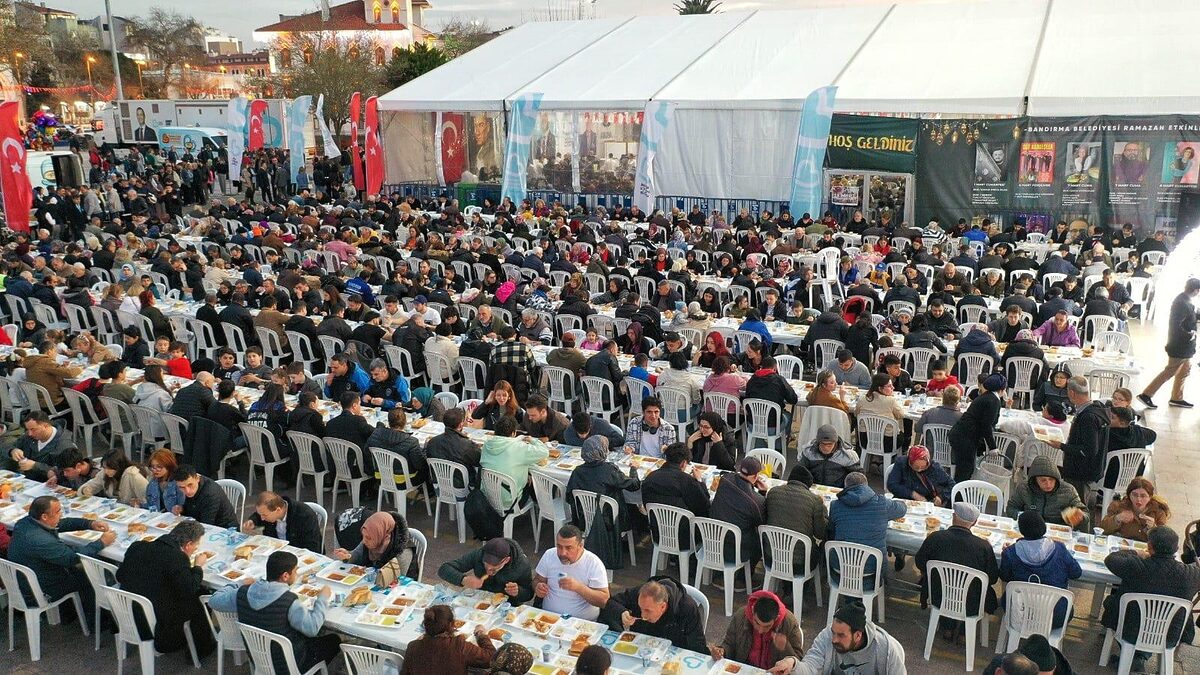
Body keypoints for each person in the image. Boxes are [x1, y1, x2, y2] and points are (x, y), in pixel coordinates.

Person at [209, 551, 341, 674]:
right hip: (289, 664)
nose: (297, 574)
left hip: (258, 657)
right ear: (285, 576)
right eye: (296, 571)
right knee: (334, 640)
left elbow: (214, 600)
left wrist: (239, 583)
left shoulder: (242, 593)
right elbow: (312, 629)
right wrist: (322, 599)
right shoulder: (289, 601)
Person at [1101, 527, 1200, 672]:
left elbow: (1111, 559)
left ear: (1150, 547)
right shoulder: (1192, 574)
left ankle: (1134, 656)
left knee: (1111, 602)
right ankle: (1139, 657)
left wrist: (1135, 553)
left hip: (1131, 629)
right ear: (1176, 548)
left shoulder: (1136, 566)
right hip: (1169, 634)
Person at [115, 520, 215, 657]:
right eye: (196, 545)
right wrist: (197, 567)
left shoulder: (137, 546)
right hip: (156, 622)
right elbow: (189, 588)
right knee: (202, 597)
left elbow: (120, 576)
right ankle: (201, 649)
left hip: (125, 611)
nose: (195, 549)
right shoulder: (177, 557)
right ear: (188, 545)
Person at [8, 495, 115, 622]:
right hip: (44, 588)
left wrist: (89, 523)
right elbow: (73, 558)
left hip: (27, 579)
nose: (61, 514)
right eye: (58, 511)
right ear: (44, 516)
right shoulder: (41, 540)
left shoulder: (25, 523)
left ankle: (74, 613)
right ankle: (98, 622)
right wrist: (101, 542)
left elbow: (60, 524)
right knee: (96, 575)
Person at [915, 502, 999, 638]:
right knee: (974, 590)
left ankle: (947, 628)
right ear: (974, 522)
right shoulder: (983, 546)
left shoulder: (935, 537)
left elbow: (920, 562)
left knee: (944, 585)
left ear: (953, 517)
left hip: (939, 595)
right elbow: (993, 578)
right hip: (970, 600)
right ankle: (963, 633)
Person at [999, 511, 1082, 629]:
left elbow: (1004, 576)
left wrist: (1007, 554)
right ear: (1044, 527)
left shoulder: (1011, 553)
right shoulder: (1059, 549)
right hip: (1056, 616)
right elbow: (1076, 573)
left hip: (1019, 613)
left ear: (1021, 530)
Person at [775, 601, 906, 674]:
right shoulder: (826, 636)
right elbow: (810, 668)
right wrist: (792, 663)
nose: (834, 639)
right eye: (833, 632)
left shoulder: (886, 649)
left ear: (858, 635)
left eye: (841, 635)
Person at [827, 472, 906, 586]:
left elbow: (831, 528)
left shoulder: (835, 505)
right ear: (867, 486)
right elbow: (902, 509)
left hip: (839, 571)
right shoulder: (882, 503)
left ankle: (851, 600)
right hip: (872, 573)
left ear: (845, 487)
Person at [602, 576, 707, 653]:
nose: (643, 615)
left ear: (662, 606)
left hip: (671, 654)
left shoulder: (686, 608)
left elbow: (697, 644)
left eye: (648, 610)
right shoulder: (640, 593)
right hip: (640, 649)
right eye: (640, 608)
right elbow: (611, 602)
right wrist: (622, 612)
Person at [1139, 277, 1200, 408]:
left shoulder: (1185, 300)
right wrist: (1189, 334)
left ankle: (1177, 398)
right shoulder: (1182, 303)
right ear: (1196, 290)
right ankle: (1146, 394)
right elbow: (1176, 325)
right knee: (1170, 371)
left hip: (1185, 346)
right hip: (1180, 345)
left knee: (1185, 371)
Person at [710, 590, 805, 671]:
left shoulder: (789, 623)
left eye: (767, 626)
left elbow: (798, 664)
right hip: (744, 669)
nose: (760, 630)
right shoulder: (741, 616)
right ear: (752, 611)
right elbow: (729, 643)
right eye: (757, 623)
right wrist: (722, 651)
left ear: (776, 618)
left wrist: (785, 647)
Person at [1048, 376, 1109, 502]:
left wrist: (1061, 446)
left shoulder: (1088, 418)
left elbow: (1089, 450)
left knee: (1077, 507)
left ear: (1071, 393)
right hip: (1091, 469)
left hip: (1081, 472)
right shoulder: (1098, 410)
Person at [533, 525, 610, 621]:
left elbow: (604, 600)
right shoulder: (549, 555)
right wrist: (538, 587)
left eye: (569, 548)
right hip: (549, 619)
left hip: (581, 623)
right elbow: (537, 580)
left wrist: (578, 587)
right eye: (559, 547)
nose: (563, 553)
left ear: (580, 546)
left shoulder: (593, 563)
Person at [566, 436, 640, 529]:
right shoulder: (608, 470)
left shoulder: (577, 471)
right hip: (609, 521)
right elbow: (634, 485)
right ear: (602, 451)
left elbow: (569, 497)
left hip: (584, 519)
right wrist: (633, 469)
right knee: (633, 509)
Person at [400, 604, 496, 674]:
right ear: (451, 625)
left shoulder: (413, 646)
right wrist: (481, 634)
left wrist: (420, 641)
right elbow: (492, 659)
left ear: (425, 625)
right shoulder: (459, 645)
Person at [437, 537, 535, 605]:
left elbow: (529, 594)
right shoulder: (478, 554)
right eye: (485, 565)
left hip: (508, 604)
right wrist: (463, 579)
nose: (488, 571)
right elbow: (444, 569)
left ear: (506, 560)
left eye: (494, 568)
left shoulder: (522, 565)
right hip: (481, 600)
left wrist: (518, 592)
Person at [949, 373, 1006, 482]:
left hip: (961, 434)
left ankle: (957, 494)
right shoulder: (993, 401)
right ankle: (957, 496)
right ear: (1002, 389)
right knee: (964, 472)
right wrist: (993, 447)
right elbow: (986, 425)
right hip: (965, 437)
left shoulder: (986, 396)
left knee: (964, 470)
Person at [332, 510, 415, 585]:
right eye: (363, 536)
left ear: (384, 536)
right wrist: (348, 556)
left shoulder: (403, 552)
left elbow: (396, 580)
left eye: (368, 538)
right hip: (373, 581)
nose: (364, 541)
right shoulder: (372, 536)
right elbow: (357, 556)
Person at [1005, 457, 1089, 530]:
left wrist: (1081, 516)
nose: (1048, 484)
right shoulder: (1024, 488)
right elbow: (1011, 508)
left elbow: (1085, 513)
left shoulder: (1068, 490)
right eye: (1043, 480)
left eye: (1051, 479)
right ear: (1035, 480)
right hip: (1031, 531)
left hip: (1058, 532)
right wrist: (1024, 517)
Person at [765, 464, 829, 556]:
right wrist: (823, 507)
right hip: (802, 562)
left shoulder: (773, 492)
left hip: (770, 555)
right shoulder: (815, 500)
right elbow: (820, 534)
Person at [241, 491, 324, 553]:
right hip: (275, 550)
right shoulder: (269, 511)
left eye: (264, 515)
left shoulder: (305, 515)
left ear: (278, 510)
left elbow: (313, 547)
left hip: (298, 553)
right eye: (261, 515)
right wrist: (253, 520)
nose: (262, 518)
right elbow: (258, 515)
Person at [8, 411, 78, 481]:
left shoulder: (65, 446)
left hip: (47, 484)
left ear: (46, 426)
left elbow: (66, 474)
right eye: (28, 429)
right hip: (25, 480)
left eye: (33, 429)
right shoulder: (29, 436)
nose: (29, 433)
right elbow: (7, 445)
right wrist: (12, 450)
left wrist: (35, 466)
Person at [1099, 477, 1170, 542]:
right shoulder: (1117, 506)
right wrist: (1117, 519)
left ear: (1150, 497)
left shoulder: (1158, 512)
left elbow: (1164, 542)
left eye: (1143, 496)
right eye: (1135, 495)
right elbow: (1101, 530)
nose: (1138, 499)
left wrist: (1153, 529)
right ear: (1129, 495)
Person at [425, 407, 481, 487]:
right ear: (461, 424)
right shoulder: (467, 445)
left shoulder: (432, 442)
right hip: (463, 486)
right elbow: (479, 461)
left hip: (439, 484)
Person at [886, 445, 954, 507]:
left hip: (926, 504)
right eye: (916, 467)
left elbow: (951, 484)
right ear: (910, 462)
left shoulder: (934, 468)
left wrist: (941, 497)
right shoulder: (902, 463)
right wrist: (912, 494)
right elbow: (892, 484)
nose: (919, 470)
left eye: (923, 467)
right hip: (903, 501)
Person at [173, 464, 238, 528]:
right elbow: (193, 509)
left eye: (190, 485)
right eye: (182, 487)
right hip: (205, 524)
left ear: (197, 478)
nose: (187, 491)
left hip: (225, 529)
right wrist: (182, 509)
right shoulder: (192, 488)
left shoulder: (210, 493)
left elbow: (206, 525)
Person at [79, 449, 148, 505]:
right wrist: (85, 490)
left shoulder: (133, 475)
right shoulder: (104, 473)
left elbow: (148, 499)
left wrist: (139, 504)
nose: (106, 471)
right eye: (104, 467)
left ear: (119, 466)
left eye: (110, 468)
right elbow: (92, 484)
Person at [144, 449, 185, 514]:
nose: (155, 470)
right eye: (152, 467)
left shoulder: (178, 483)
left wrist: (179, 508)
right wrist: (139, 504)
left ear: (168, 466)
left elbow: (184, 506)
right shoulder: (152, 483)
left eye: (159, 467)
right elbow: (150, 506)